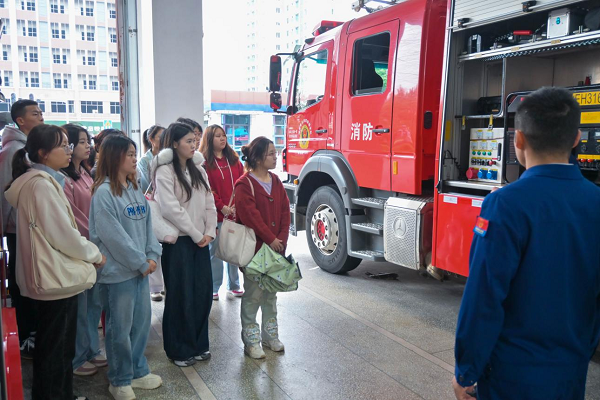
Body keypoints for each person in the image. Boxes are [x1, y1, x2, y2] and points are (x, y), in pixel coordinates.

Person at [453, 87, 600, 400]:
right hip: (571, 373)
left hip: (510, 377)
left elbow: (484, 297)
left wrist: (467, 370)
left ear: (518, 140)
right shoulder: (595, 202)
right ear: (576, 139)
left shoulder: (505, 205)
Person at [4, 124, 106, 400]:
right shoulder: (41, 185)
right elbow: (63, 235)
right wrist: (94, 254)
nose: (69, 150)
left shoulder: (42, 181)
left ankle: (60, 394)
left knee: (56, 345)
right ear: (43, 153)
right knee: (56, 347)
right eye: (63, 145)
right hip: (54, 276)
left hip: (50, 276)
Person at [90, 135, 163, 400]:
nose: (135, 158)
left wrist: (152, 254)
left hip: (140, 270)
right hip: (118, 274)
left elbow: (148, 227)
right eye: (129, 154)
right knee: (119, 329)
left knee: (141, 324)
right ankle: (119, 379)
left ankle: (137, 371)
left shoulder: (134, 188)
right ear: (114, 157)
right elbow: (113, 237)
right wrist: (141, 262)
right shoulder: (103, 193)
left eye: (134, 153)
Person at [153, 122, 217, 367]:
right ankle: (179, 350)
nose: (194, 145)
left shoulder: (198, 168)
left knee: (202, 293)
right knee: (180, 295)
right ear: (174, 143)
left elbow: (209, 203)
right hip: (179, 242)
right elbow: (170, 209)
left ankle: (198, 344)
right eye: (189, 141)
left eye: (195, 141)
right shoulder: (164, 170)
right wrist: (195, 234)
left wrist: (209, 232)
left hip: (200, 240)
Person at [234, 137, 290, 359]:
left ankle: (270, 336)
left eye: (276, 152)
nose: (276, 157)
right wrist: (270, 238)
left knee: (270, 295)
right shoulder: (244, 184)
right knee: (253, 296)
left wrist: (281, 240)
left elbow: (285, 211)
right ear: (257, 158)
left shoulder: (276, 181)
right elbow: (251, 217)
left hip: (274, 251)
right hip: (254, 252)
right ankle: (251, 341)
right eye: (271, 153)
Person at [61, 124, 108, 377]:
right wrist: (94, 236)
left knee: (93, 304)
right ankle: (78, 356)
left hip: (94, 246)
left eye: (87, 140)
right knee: (80, 307)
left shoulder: (86, 173)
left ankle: (91, 349)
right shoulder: (64, 179)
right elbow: (74, 216)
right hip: (81, 248)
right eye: (81, 142)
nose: (87, 145)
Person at [0, 99, 44, 358]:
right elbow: (6, 194)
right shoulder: (13, 151)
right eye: (35, 114)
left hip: (29, 227)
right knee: (22, 283)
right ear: (20, 120)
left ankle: (32, 332)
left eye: (40, 112)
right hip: (18, 229)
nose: (41, 117)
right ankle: (26, 336)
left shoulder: (27, 147)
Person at [200, 124, 244, 300]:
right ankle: (214, 286)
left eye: (224, 135)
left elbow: (242, 182)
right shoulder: (204, 163)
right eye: (218, 136)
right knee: (215, 253)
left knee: (233, 251)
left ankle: (234, 284)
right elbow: (207, 189)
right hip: (216, 214)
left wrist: (238, 205)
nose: (222, 138)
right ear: (210, 139)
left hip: (235, 214)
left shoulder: (234, 159)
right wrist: (221, 206)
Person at [137, 125, 166, 302]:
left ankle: (165, 284)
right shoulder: (145, 160)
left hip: (167, 206)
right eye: (160, 136)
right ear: (151, 139)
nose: (163, 139)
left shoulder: (169, 157)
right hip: (152, 205)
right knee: (153, 245)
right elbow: (147, 184)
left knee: (167, 245)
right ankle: (155, 287)